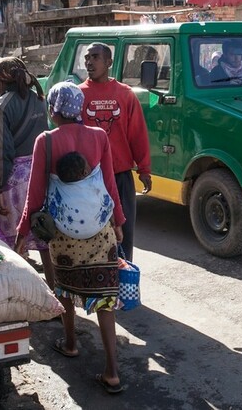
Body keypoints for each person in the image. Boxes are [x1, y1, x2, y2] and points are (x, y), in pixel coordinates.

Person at [16, 81, 126, 394]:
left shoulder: (46, 140)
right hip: (101, 229)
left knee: (64, 288)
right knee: (105, 298)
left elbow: (35, 194)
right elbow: (108, 184)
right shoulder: (99, 135)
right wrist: (118, 221)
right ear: (78, 108)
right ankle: (113, 371)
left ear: (53, 110)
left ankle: (70, 342)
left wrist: (23, 234)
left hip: (64, 233)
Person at [79, 42, 151, 262]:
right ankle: (100, 289)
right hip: (90, 179)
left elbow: (137, 133)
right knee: (93, 234)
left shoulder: (125, 94)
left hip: (120, 176)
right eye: (87, 58)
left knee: (125, 233)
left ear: (109, 62)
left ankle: (125, 284)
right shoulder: (78, 94)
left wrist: (144, 169)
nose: (90, 62)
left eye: (96, 57)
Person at [0, 57, 51, 283]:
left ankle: (22, 294)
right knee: (44, 241)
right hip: (40, 178)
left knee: (12, 243)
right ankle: (56, 298)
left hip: (13, 183)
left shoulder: (0, 106)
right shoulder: (39, 99)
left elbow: (2, 151)